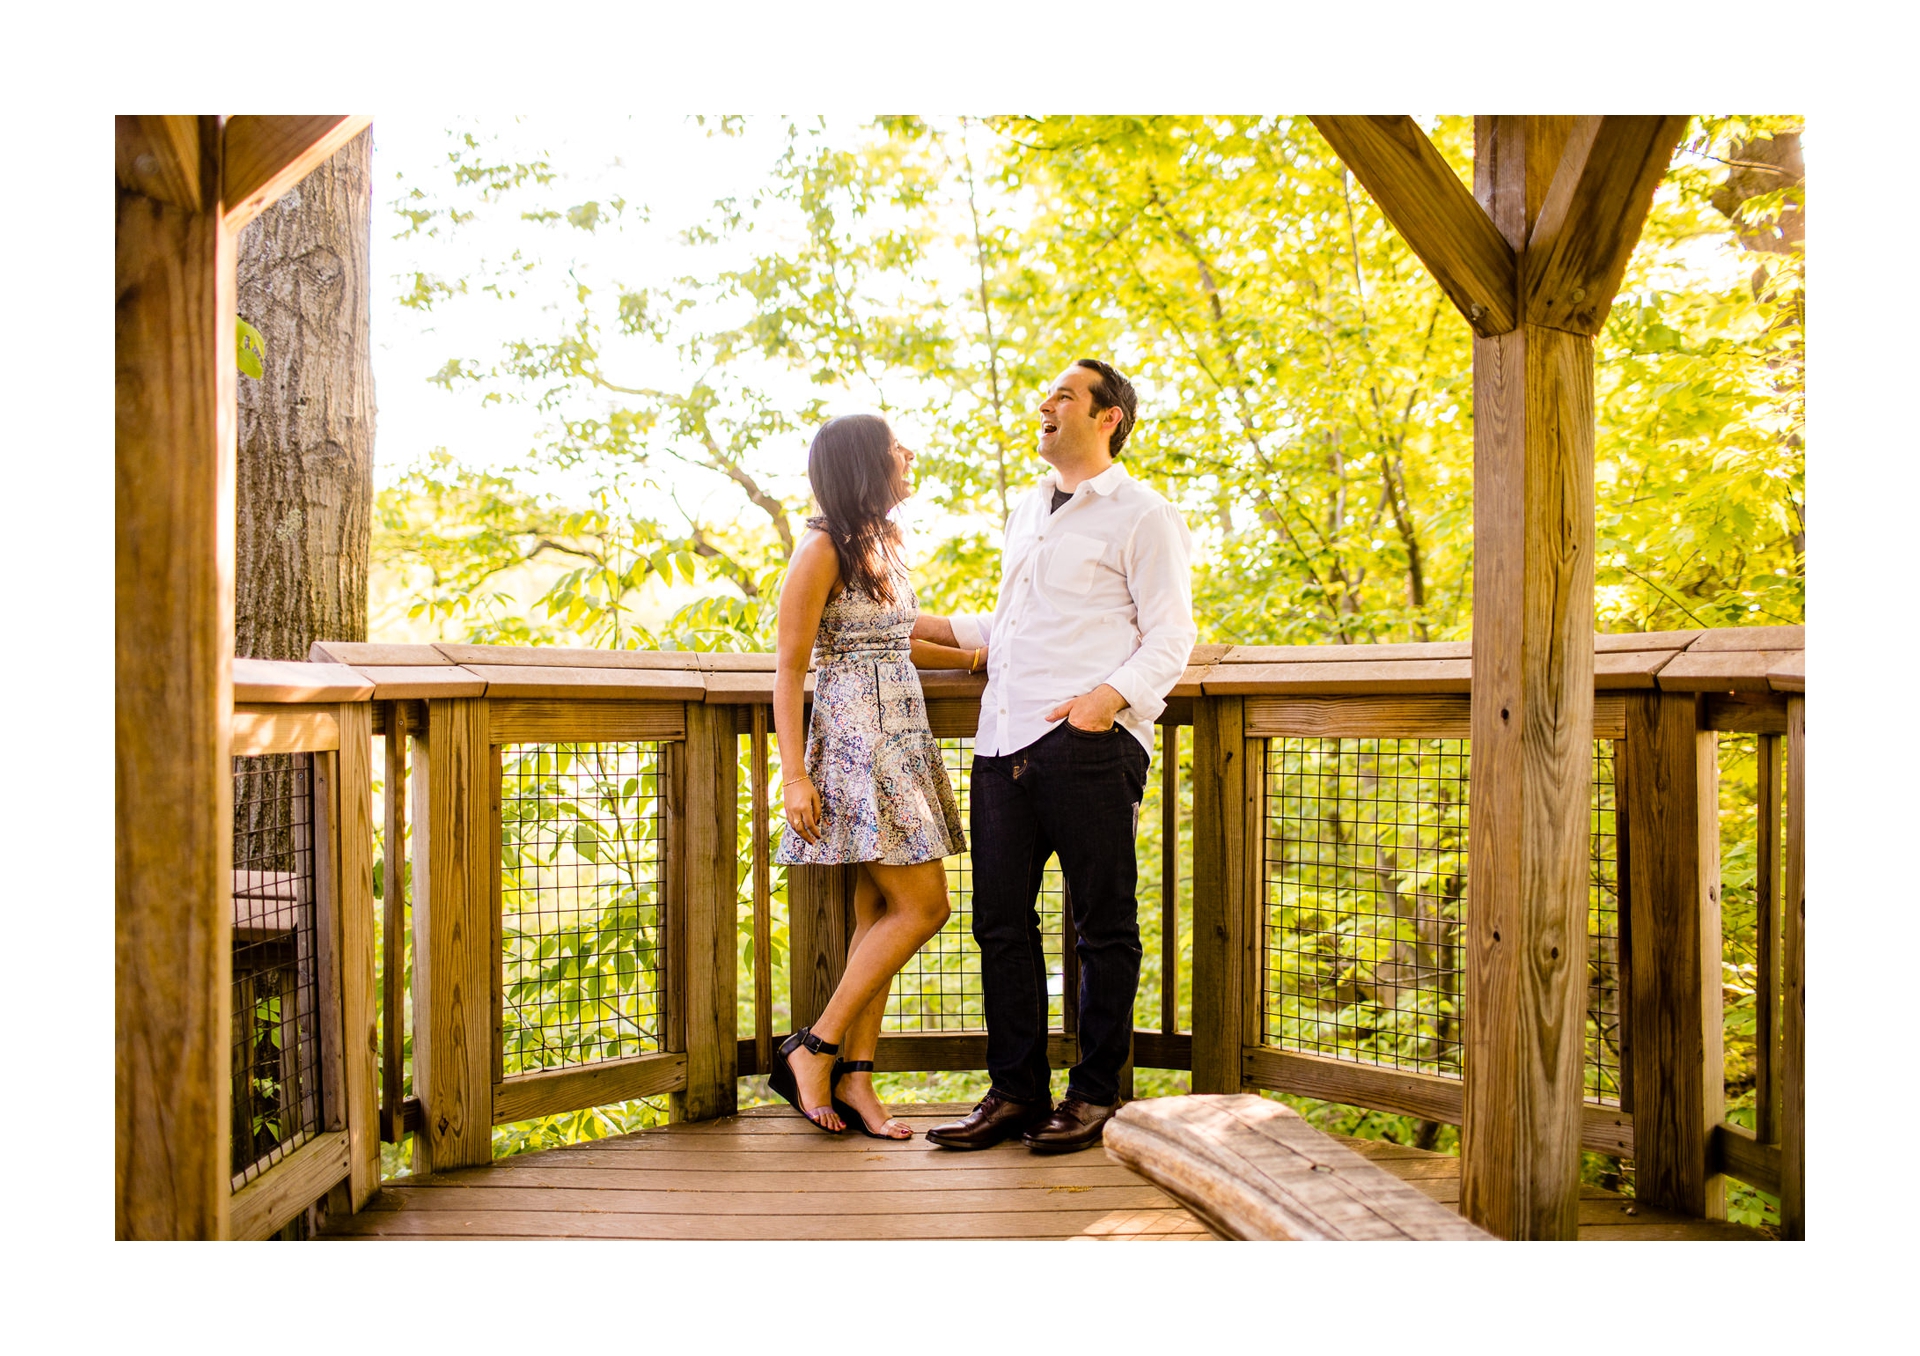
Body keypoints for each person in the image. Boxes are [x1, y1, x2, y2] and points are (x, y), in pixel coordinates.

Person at [920, 358, 1196, 1153]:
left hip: (1087, 748)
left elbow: (1171, 634)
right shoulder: (1026, 510)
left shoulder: (1144, 515)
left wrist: (1101, 705)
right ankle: (1013, 1095)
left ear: (1107, 418)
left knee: (1103, 928)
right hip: (1001, 738)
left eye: (1065, 396)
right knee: (1001, 924)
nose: (1046, 405)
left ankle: (1096, 1095)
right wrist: (936, 629)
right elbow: (1015, 625)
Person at [769, 413, 983, 1138]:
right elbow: (790, 666)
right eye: (896, 448)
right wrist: (794, 776)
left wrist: (979, 659)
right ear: (867, 463)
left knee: (876, 915)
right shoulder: (821, 547)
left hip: (903, 734)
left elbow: (902, 641)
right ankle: (814, 1046)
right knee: (925, 907)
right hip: (859, 744)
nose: (909, 453)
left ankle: (856, 1077)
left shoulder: (883, 543)